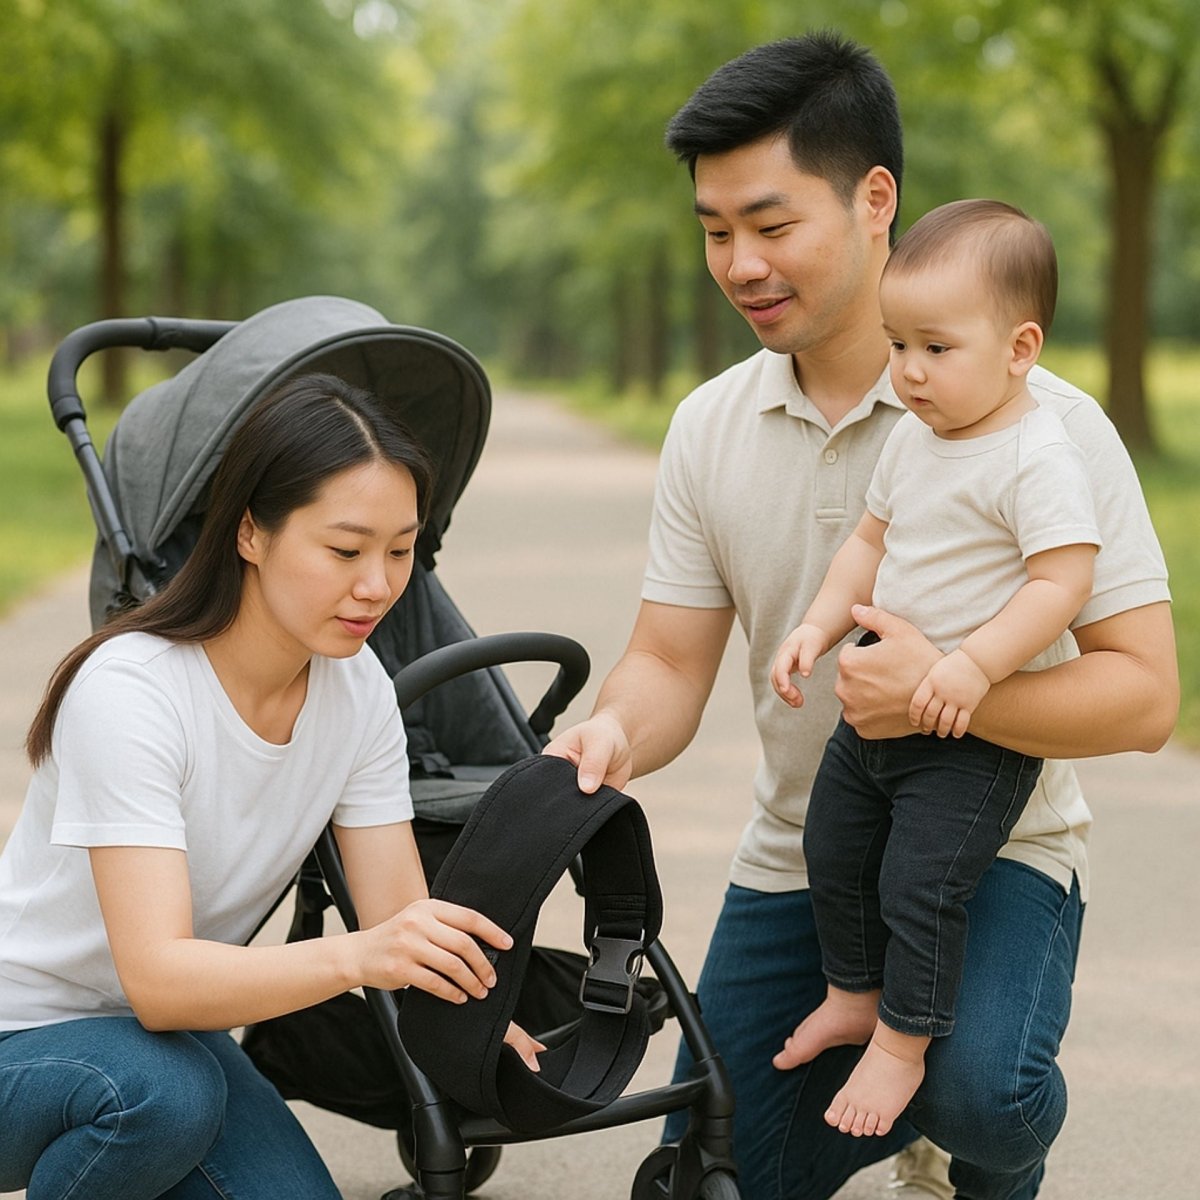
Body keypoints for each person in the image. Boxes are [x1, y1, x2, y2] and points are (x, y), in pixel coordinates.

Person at [544, 31, 1177, 1200]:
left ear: (875, 198)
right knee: (708, 1178)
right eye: (713, 229)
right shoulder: (708, 427)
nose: (738, 263)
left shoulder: (1045, 428)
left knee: (981, 1093)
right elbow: (667, 664)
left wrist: (956, 694)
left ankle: (971, 1115)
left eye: (771, 225)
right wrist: (607, 737)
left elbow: (1144, 698)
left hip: (994, 857)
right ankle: (904, 1082)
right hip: (803, 863)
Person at [0, 373, 542, 1199]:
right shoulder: (132, 691)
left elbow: (398, 919)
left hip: (162, 1043)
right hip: (26, 1038)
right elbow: (158, 979)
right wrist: (359, 956)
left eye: (401, 551)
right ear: (251, 532)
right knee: (163, 1099)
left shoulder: (357, 690)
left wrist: (477, 1022)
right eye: (345, 550)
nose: (378, 586)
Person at [769, 199, 1100, 1140]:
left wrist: (974, 667)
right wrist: (818, 625)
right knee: (832, 843)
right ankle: (853, 991)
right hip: (875, 720)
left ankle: (905, 1044)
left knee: (922, 879)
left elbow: (1061, 580)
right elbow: (866, 545)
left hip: (968, 737)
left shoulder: (1036, 454)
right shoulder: (915, 439)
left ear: (1020, 347)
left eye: (936, 348)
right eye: (896, 343)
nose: (908, 371)